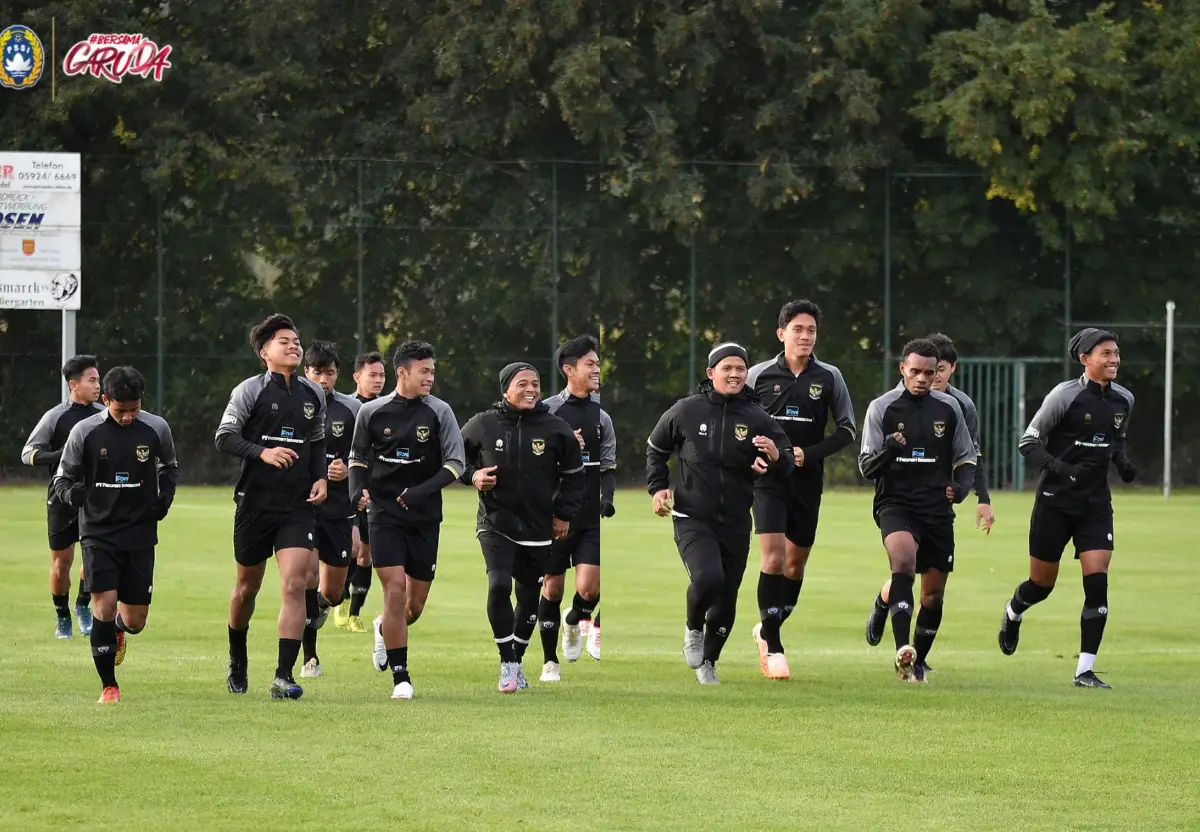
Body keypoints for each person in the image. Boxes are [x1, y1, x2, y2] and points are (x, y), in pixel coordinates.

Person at [646, 342, 795, 686]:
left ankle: (708, 662)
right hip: (692, 516)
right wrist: (657, 488)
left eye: (740, 369)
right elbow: (656, 448)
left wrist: (774, 454)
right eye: (727, 368)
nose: (734, 374)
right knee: (708, 579)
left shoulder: (757, 416)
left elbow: (786, 462)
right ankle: (693, 629)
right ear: (711, 372)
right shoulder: (685, 411)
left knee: (727, 597)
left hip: (737, 520)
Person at [997, 328, 1135, 689]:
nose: (1114, 359)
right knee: (1042, 585)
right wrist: (1062, 469)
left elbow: (1116, 439)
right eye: (1105, 353)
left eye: (1116, 353)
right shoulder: (1064, 396)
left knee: (1098, 581)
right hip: (1055, 502)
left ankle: (1084, 670)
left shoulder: (1124, 400)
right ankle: (1014, 611)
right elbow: (1028, 442)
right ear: (1085, 358)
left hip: (1095, 504)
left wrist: (1122, 463)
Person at [214, 314, 328, 700]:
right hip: (255, 504)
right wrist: (262, 452)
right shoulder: (249, 391)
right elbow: (224, 437)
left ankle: (283, 675)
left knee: (296, 583)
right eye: (284, 341)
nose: (294, 345)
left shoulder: (314, 395)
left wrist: (322, 478)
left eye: (296, 340)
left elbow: (317, 444)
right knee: (247, 588)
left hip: (296, 507)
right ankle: (237, 657)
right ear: (265, 353)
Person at [866, 332, 992, 675]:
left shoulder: (952, 408)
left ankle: (918, 660)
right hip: (896, 503)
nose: (923, 379)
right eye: (915, 372)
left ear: (939, 370)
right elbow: (866, 467)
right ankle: (902, 652)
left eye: (929, 372)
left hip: (937, 508)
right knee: (904, 563)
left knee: (933, 594)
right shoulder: (882, 408)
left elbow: (968, 457)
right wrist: (890, 448)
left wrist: (964, 487)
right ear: (903, 368)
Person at [50, 366, 178, 703]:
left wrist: (164, 499)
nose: (126, 417)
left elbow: (169, 466)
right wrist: (73, 496)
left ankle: (120, 630)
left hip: (139, 533)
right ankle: (109, 685)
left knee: (135, 621)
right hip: (97, 533)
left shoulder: (156, 428)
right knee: (103, 606)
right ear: (106, 400)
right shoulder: (85, 432)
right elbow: (61, 479)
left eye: (133, 409)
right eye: (120, 410)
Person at [746, 300, 856, 679]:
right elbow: (735, 422)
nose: (805, 336)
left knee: (794, 566)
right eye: (798, 329)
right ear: (782, 334)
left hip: (807, 481)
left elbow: (846, 431)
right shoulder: (757, 375)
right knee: (773, 559)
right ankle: (773, 645)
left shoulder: (830, 377)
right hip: (768, 480)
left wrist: (807, 454)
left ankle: (767, 627)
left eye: (811, 330)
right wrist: (751, 458)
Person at [460, 362, 585, 693]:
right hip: (495, 522)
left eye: (536, 383)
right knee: (499, 585)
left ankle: (516, 659)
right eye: (523, 383)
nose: (531, 389)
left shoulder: (556, 429)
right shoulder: (483, 424)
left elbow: (575, 476)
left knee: (529, 596)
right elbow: (456, 458)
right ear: (505, 389)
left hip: (539, 526)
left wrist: (563, 515)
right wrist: (473, 476)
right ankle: (508, 663)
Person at [351, 340, 466, 700]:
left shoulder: (440, 412)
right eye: (425, 371)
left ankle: (384, 627)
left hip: (425, 518)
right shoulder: (372, 412)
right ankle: (401, 676)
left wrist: (420, 491)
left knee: (412, 606)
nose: (431, 377)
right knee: (393, 589)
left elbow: (456, 465)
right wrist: (357, 490)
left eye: (432, 370)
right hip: (384, 515)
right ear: (402, 373)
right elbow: (358, 458)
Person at [539, 335, 615, 680]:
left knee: (589, 589)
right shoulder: (549, 411)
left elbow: (608, 464)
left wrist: (608, 498)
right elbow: (535, 457)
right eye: (590, 363)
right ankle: (549, 660)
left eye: (598, 363)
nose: (596, 368)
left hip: (588, 518)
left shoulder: (602, 416)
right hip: (555, 515)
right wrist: (565, 447)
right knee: (552, 588)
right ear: (569, 370)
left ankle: (574, 620)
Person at [21, 355, 104, 639]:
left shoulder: (104, 412)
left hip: (95, 496)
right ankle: (62, 616)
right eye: (92, 380)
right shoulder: (55, 417)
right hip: (61, 496)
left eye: (98, 379)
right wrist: (63, 456)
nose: (97, 385)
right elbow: (28, 453)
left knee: (94, 557)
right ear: (74, 384)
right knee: (62, 561)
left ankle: (82, 606)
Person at [298, 341, 362, 677]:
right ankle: (310, 657)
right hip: (303, 507)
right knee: (306, 576)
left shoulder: (351, 410)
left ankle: (321, 606)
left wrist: (348, 471)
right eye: (318, 371)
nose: (324, 378)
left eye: (330, 372)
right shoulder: (294, 404)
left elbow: (363, 455)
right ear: (306, 371)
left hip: (338, 508)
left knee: (333, 593)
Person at [337, 351, 387, 631]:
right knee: (352, 548)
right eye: (372, 375)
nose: (378, 380)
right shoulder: (346, 408)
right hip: (348, 492)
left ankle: (354, 613)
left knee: (366, 553)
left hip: (376, 491)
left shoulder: (389, 408)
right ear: (357, 377)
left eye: (382, 375)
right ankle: (340, 599)